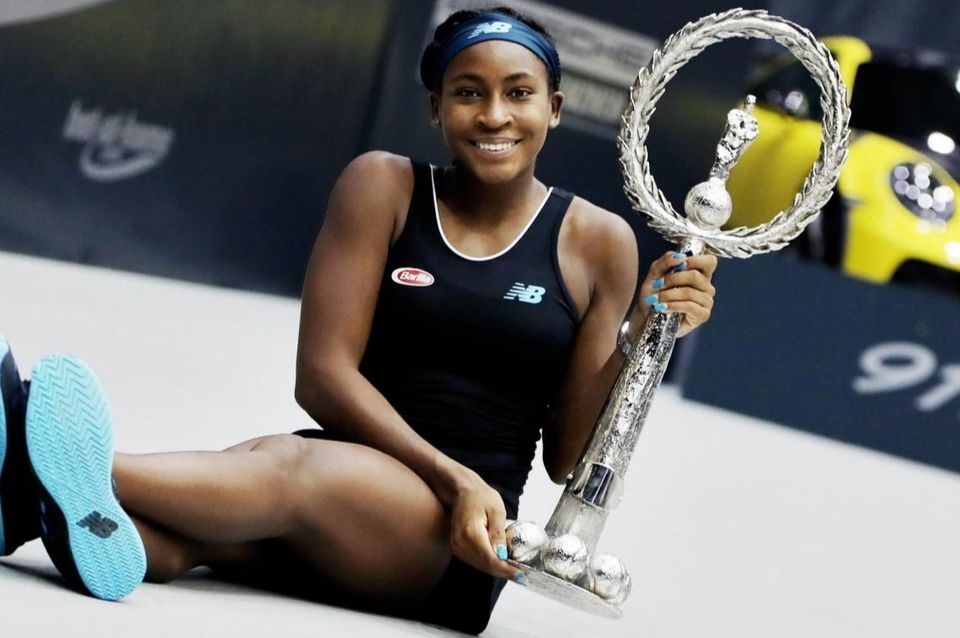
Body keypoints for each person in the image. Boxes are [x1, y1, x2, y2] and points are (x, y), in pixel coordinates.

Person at [0, 7, 717, 634]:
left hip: (457, 538)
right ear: (436, 107)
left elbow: (567, 458)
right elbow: (321, 378)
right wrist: (450, 473)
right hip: (346, 478)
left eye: (519, 93)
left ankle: (39, 454)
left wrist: (639, 341)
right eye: (468, 92)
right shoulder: (384, 186)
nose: (494, 115)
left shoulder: (598, 242)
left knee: (284, 469)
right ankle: (34, 507)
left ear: (554, 108)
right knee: (194, 535)